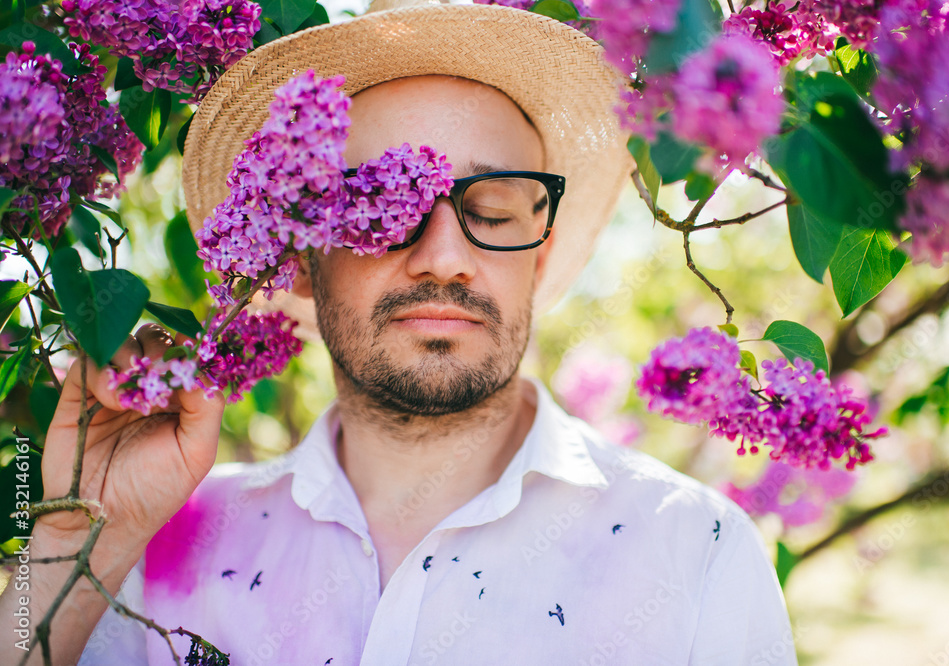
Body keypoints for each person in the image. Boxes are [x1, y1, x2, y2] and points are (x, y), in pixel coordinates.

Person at [1, 0, 796, 664]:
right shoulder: (155, 541)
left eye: (490, 209)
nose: (443, 257)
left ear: (541, 252)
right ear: (301, 253)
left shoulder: (697, 553)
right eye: (379, 208)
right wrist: (69, 543)